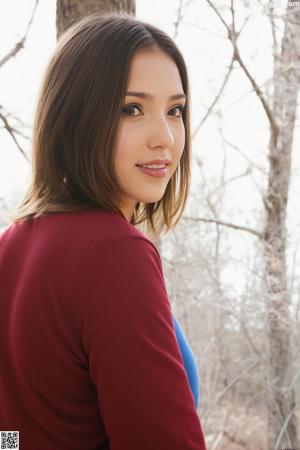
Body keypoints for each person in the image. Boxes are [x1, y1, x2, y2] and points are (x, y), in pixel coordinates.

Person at [0, 12, 207, 450]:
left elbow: (10, 436)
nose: (166, 137)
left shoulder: (11, 242)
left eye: (175, 110)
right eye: (132, 109)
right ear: (75, 116)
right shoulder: (113, 253)